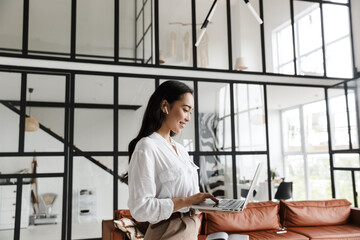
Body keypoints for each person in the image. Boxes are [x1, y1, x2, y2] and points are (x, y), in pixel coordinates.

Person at [120, 80, 218, 240]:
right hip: (168, 231)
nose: (188, 118)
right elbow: (140, 209)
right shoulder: (146, 147)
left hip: (191, 228)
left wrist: (207, 203)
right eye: (185, 110)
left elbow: (190, 197)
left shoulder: (180, 150)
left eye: (191, 112)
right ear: (165, 106)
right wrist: (186, 201)